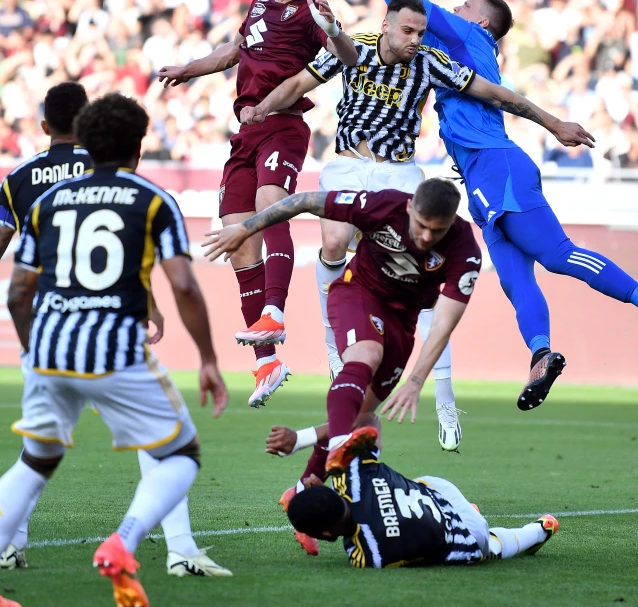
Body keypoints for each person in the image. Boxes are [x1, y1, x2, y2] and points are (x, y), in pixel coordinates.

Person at [333, 0, 638, 410]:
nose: (453, 9)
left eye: (464, 6)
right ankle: (541, 354)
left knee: (555, 253)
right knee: (515, 278)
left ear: (478, 22)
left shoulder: (465, 38)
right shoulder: (457, 48)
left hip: (498, 168)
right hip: (483, 176)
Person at [242, 0, 594, 446]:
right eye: (407, 31)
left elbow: (497, 94)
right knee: (333, 244)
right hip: (350, 163)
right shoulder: (357, 47)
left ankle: (445, 399)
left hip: (399, 172)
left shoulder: (431, 63)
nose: (414, 40)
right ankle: (337, 357)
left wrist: (552, 122)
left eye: (420, 33)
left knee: (422, 281)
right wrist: (261, 109)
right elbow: (296, 85)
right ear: (387, 24)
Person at [0, 94, 228, 607]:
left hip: (49, 347)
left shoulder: (46, 202)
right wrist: (208, 358)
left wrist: (38, 353)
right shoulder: (152, 199)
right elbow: (185, 286)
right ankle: (125, 542)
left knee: (35, 461)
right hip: (115, 350)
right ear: (138, 149)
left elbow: (16, 293)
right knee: (180, 455)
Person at [204, 179, 481, 550]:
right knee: (365, 357)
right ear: (411, 206)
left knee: (363, 419)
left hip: (403, 323)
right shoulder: (382, 205)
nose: (428, 236)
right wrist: (244, 228)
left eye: (438, 229)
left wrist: (416, 380)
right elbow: (303, 200)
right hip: (358, 293)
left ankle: (301, 490)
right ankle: (339, 452)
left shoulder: (465, 251)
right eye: (421, 225)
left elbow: (445, 322)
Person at [156, 0, 358, 409]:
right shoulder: (262, 2)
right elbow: (233, 51)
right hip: (245, 129)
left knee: (270, 207)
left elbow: (346, 58)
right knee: (238, 239)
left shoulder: (315, 11)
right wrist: (189, 69)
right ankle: (267, 361)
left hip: (281, 126)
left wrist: (336, 32)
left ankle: (273, 311)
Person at [286, 425, 560, 568]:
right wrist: (326, 478)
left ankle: (539, 530)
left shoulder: (367, 556)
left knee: (486, 547)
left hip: (468, 532)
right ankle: (469, 511)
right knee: (413, 486)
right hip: (439, 490)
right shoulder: (353, 476)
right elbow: (370, 423)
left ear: (324, 533)